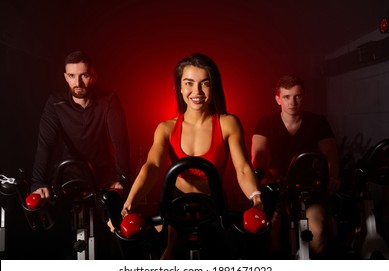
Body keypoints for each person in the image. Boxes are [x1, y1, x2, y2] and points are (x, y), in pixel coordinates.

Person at [116, 53, 263, 259]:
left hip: (214, 203)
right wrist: (128, 205)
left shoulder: (228, 123)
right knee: (168, 254)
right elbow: (152, 166)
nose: (197, 91)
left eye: (205, 83)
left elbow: (243, 168)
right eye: (189, 83)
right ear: (180, 88)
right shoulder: (166, 128)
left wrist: (257, 200)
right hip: (175, 203)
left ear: (214, 87)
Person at [30, 50, 131, 259]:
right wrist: (38, 182)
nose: (78, 82)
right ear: (65, 77)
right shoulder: (55, 103)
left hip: (103, 177)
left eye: (84, 75)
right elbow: (45, 145)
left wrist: (121, 179)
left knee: (115, 236)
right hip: (67, 176)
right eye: (72, 76)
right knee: (57, 239)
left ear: (93, 76)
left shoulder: (109, 100)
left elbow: (120, 142)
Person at [251, 74, 340, 259]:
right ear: (278, 99)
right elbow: (257, 155)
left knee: (317, 234)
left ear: (303, 97)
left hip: (309, 187)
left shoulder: (318, 121)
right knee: (271, 234)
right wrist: (264, 178)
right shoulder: (266, 123)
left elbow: (330, 153)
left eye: (297, 96)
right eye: (286, 97)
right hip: (277, 186)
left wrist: (332, 176)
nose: (292, 102)